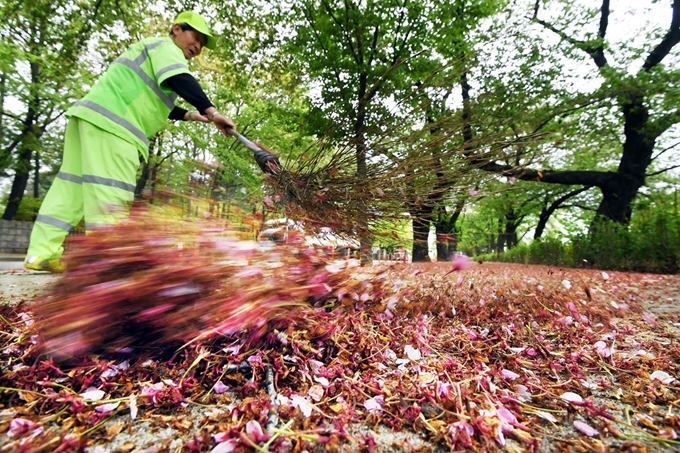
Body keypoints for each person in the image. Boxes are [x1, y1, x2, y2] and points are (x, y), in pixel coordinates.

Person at [24, 11, 236, 273]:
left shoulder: (151, 54)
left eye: (203, 44)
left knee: (71, 190)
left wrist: (191, 114)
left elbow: (157, 100)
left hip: (90, 119)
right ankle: (108, 270)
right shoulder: (165, 47)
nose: (198, 46)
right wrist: (212, 112)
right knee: (110, 193)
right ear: (177, 29)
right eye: (196, 37)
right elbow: (180, 79)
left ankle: (41, 253)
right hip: (114, 127)